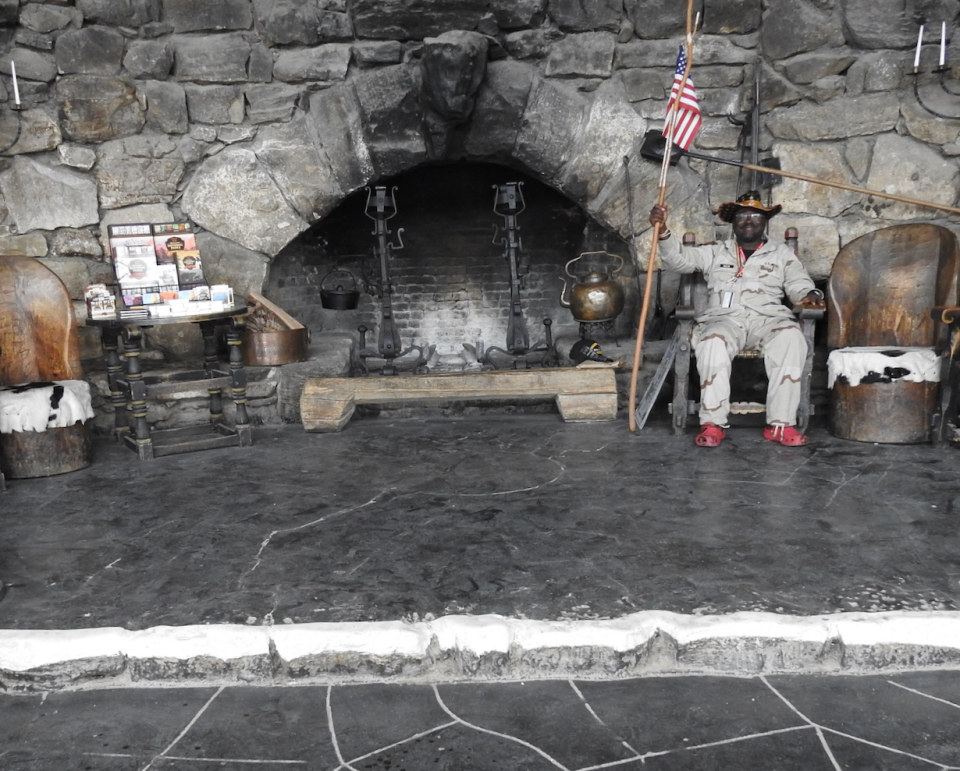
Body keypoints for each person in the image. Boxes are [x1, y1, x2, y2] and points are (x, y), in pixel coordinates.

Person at [648, 191, 825, 447]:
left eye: (755, 215)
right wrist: (663, 231)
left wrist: (811, 293)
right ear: (733, 223)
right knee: (712, 340)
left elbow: (798, 283)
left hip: (768, 319)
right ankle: (713, 423)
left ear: (765, 221)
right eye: (742, 216)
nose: (749, 220)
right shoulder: (715, 251)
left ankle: (781, 424)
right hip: (725, 319)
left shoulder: (782, 254)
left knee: (791, 337)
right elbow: (680, 260)